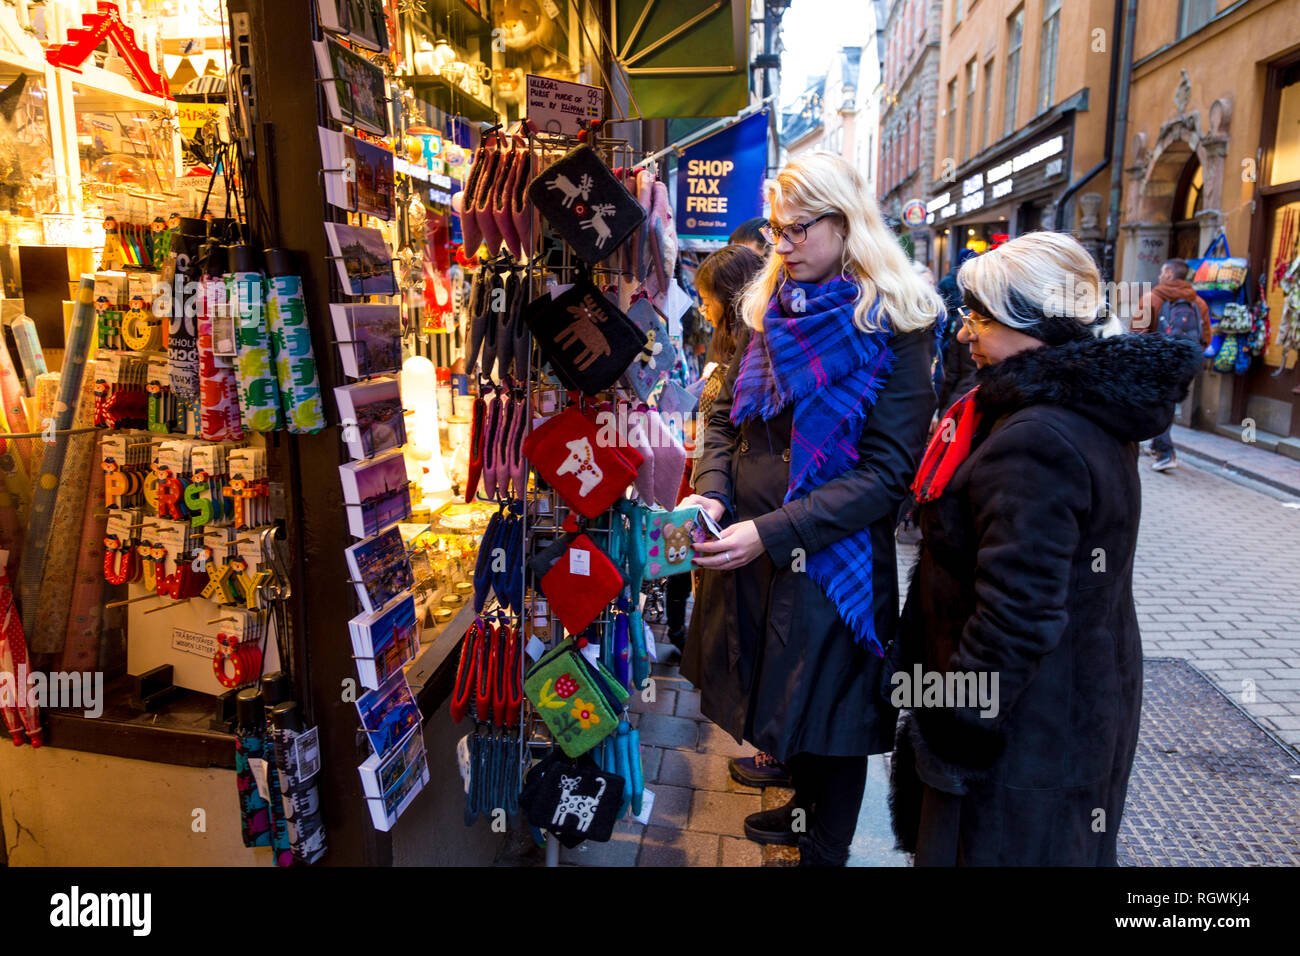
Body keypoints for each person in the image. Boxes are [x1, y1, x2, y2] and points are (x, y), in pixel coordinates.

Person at [890, 232, 1201, 866]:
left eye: (978, 317)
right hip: (1063, 704)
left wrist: (953, 722)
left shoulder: (1036, 436)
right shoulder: (1064, 407)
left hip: (1019, 728)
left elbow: (1018, 611)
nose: (962, 333)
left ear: (1031, 322)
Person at [679, 152, 942, 866]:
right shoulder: (768, 307)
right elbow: (726, 416)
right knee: (789, 701)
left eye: (797, 231)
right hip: (758, 547)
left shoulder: (899, 324)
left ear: (846, 222)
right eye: (776, 231)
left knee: (833, 715)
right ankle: (800, 815)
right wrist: (711, 487)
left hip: (833, 560)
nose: (782, 246)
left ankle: (825, 850)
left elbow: (888, 475)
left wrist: (772, 530)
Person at [663, 244, 762, 663]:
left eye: (707, 301)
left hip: (729, 499)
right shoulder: (731, 353)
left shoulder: (748, 357)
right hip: (717, 489)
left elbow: (710, 433)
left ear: (729, 297)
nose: (704, 310)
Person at [1131, 257, 1210, 471]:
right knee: (1168, 402)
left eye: (1161, 273)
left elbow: (1137, 332)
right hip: (1185, 362)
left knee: (1156, 402)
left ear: (1168, 275)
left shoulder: (1152, 298)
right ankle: (1158, 445)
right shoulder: (1199, 303)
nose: (1158, 276)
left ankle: (1165, 452)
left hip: (1157, 360)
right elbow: (1206, 337)